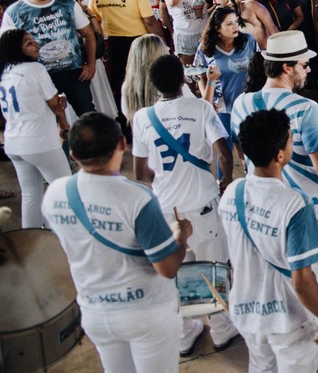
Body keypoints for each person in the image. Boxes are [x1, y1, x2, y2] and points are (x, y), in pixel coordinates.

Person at [42, 112, 192, 373]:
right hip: (146, 312)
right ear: (122, 144)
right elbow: (166, 268)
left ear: (73, 155)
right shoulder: (138, 198)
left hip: (95, 312)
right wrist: (181, 236)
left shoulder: (54, 194)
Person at [230, 31, 318, 301]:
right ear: (287, 67)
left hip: (265, 206)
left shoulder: (241, 103)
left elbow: (243, 155)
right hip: (311, 207)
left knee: (287, 274)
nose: (308, 70)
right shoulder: (306, 108)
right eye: (304, 65)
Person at [131, 54, 238, 354]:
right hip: (202, 203)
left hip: (165, 208)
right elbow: (225, 153)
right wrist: (226, 180)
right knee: (211, 267)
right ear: (184, 80)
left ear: (153, 86)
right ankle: (220, 329)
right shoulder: (201, 108)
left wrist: (167, 180)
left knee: (176, 269)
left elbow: (141, 173)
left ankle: (184, 332)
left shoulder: (142, 118)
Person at [219, 108, 318, 373]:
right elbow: (302, 280)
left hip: (246, 309)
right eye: (290, 138)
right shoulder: (296, 204)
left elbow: (251, 237)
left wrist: (304, 232)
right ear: (281, 155)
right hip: (288, 319)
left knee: (261, 367)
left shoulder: (232, 192)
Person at [0, 0, 97, 116]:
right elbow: (8, 47)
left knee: (87, 113)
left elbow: (88, 35)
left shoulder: (68, 4)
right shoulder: (14, 12)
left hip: (74, 72)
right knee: (49, 117)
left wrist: (91, 64)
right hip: (40, 74)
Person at [0, 29, 71, 228]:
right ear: (17, 49)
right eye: (29, 43)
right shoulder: (35, 69)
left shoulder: (4, 72)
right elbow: (54, 103)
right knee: (65, 190)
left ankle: (32, 239)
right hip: (40, 142)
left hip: (14, 143)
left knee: (31, 195)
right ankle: (61, 235)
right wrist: (62, 108)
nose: (36, 44)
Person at [89, 0, 163, 116]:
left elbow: (94, 19)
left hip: (114, 44)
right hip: (139, 43)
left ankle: (126, 120)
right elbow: (149, 21)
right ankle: (149, 116)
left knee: (121, 84)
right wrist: (161, 42)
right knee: (146, 81)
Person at [195, 6, 259, 158]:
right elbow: (200, 76)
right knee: (225, 155)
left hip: (247, 106)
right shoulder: (206, 49)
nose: (235, 26)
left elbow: (259, 70)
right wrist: (207, 97)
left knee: (249, 152)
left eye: (236, 22)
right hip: (223, 109)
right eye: (229, 24)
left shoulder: (249, 41)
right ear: (217, 28)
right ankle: (224, 182)